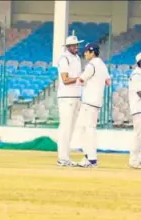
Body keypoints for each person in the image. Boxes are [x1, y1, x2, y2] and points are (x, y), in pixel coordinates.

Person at [74, 43, 110, 168]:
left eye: (86, 52)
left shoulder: (91, 65)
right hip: (96, 101)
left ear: (91, 52)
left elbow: (81, 80)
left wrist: (81, 82)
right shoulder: (102, 65)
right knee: (88, 129)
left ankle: (90, 158)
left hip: (89, 101)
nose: (84, 54)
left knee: (85, 129)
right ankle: (90, 157)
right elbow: (108, 81)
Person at [56, 35, 84, 167]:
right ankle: (62, 157)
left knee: (71, 128)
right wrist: (80, 78)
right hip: (66, 97)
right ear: (68, 47)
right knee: (65, 128)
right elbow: (65, 80)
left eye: (77, 45)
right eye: (74, 45)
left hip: (75, 96)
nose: (76, 47)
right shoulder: (64, 58)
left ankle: (65, 156)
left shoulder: (76, 58)